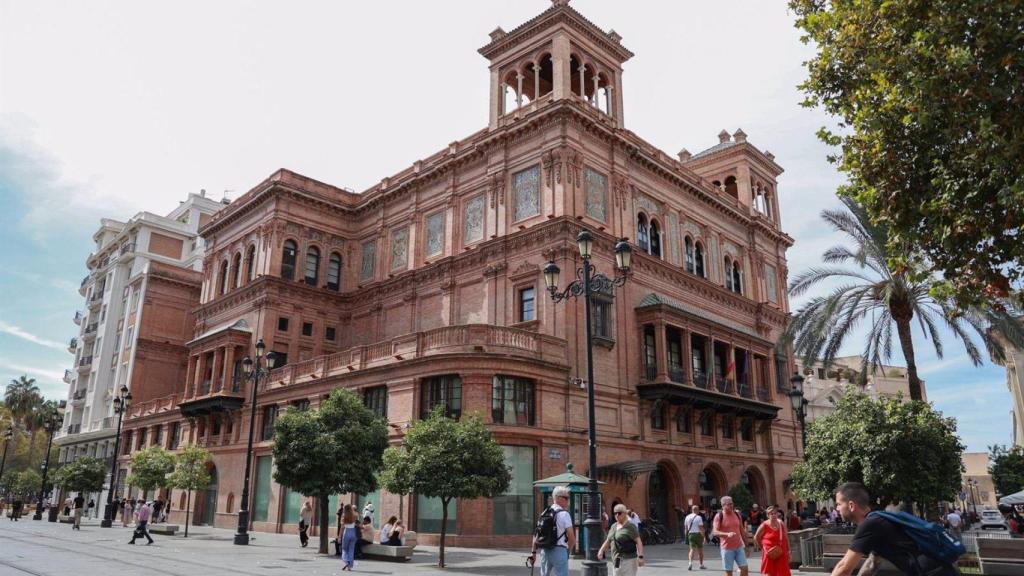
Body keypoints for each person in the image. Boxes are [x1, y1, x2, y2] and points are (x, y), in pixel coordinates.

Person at [831, 482, 958, 576]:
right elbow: (872, 564)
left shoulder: (871, 524)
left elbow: (844, 568)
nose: (837, 509)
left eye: (838, 504)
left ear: (851, 505)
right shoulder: (877, 520)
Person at [530, 486, 576, 576]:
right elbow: (572, 538)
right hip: (559, 550)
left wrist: (533, 552)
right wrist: (567, 552)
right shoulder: (564, 514)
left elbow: (536, 534)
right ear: (558, 498)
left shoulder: (544, 513)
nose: (568, 500)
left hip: (545, 551)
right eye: (566, 498)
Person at [598, 503, 645, 576]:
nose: (617, 515)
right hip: (616, 560)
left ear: (625, 514)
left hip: (629, 560)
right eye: (615, 513)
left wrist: (641, 557)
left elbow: (639, 542)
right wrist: (601, 550)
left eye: (619, 513)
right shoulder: (613, 526)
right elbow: (608, 540)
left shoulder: (630, 526)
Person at [712, 495, 749, 576]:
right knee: (729, 573)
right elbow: (714, 532)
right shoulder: (719, 516)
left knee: (745, 569)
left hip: (739, 547)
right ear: (723, 505)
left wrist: (747, 546)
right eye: (729, 504)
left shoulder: (737, 514)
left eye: (732, 503)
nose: (731, 506)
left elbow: (742, 531)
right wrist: (726, 534)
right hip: (727, 549)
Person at [753, 505, 791, 576]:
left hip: (781, 551)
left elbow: (786, 537)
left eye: (775, 513)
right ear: (768, 515)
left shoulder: (781, 523)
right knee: (770, 572)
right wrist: (763, 547)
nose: (773, 515)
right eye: (771, 514)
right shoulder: (764, 525)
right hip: (769, 552)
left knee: (782, 572)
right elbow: (756, 537)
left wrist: (788, 550)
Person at [684, 504, 707, 570]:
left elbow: (686, 528)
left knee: (692, 549)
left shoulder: (687, 517)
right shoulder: (699, 517)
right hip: (698, 534)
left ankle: (690, 563)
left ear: (692, 510)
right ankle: (701, 564)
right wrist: (704, 536)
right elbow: (701, 528)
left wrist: (686, 536)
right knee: (700, 550)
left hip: (690, 534)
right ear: (697, 510)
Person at [338, 504, 358, 571]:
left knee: (344, 548)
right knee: (351, 550)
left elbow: (342, 527)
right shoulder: (355, 515)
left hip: (346, 532)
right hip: (353, 532)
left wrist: (339, 537)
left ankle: (346, 561)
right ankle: (349, 566)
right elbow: (356, 523)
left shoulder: (344, 516)